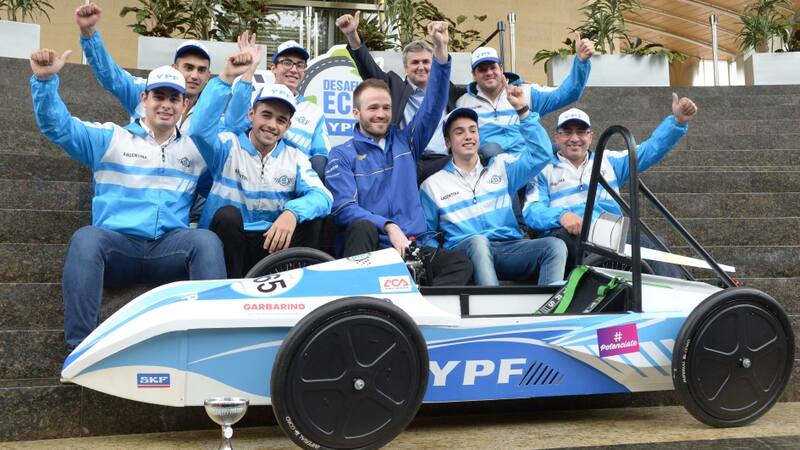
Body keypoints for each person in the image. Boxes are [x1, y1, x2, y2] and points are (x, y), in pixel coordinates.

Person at [30, 49, 226, 350]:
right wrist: (44, 82)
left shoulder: (195, 151)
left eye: (174, 98)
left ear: (184, 104)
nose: (166, 105)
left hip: (167, 250)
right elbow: (59, 127)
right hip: (118, 249)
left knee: (206, 241)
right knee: (86, 238)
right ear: (144, 99)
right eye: (159, 96)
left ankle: (209, 348)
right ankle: (81, 348)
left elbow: (228, 183)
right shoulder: (111, 138)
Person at [324, 21, 472, 286]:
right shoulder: (341, 155)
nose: (380, 114)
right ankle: (363, 307)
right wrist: (388, 225)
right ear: (356, 113)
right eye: (372, 108)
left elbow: (433, 105)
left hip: (410, 248)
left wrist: (441, 48)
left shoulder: (407, 141)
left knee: (460, 264)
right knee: (361, 226)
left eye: (386, 107)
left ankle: (416, 315)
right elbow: (344, 209)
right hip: (371, 251)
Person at [190, 48, 332, 279]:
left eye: (281, 120)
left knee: (312, 220)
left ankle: (293, 290)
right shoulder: (228, 145)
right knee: (228, 215)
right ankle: (231, 292)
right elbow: (199, 130)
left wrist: (292, 213)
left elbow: (323, 196)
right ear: (251, 114)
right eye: (266, 115)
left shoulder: (295, 157)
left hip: (270, 242)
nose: (272, 125)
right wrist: (225, 78)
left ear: (287, 126)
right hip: (229, 244)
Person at [522, 95, 699, 276]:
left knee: (655, 245)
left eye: (581, 132)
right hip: (568, 237)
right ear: (557, 137)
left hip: (608, 233)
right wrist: (562, 215)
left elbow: (650, 149)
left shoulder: (609, 161)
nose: (574, 138)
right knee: (576, 242)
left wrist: (676, 122)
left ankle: (676, 298)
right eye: (567, 132)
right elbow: (532, 211)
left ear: (590, 136)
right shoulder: (542, 169)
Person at [75, 2, 213, 221]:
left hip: (183, 201)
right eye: (188, 67)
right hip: (135, 193)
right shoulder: (144, 89)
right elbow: (110, 76)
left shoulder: (211, 112)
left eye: (201, 70)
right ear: (175, 68)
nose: (194, 75)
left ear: (208, 76)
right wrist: (89, 34)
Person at [420, 82, 567, 286]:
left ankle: (550, 312)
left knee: (555, 246)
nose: (468, 136)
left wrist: (523, 111)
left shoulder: (502, 166)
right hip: (466, 254)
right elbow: (427, 237)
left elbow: (541, 155)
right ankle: (492, 309)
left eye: (473, 130)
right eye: (459, 132)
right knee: (479, 242)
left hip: (508, 248)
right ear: (447, 142)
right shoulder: (432, 185)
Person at [336, 11, 467, 182]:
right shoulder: (393, 86)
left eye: (426, 62)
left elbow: (479, 89)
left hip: (443, 161)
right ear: (405, 67)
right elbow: (368, 68)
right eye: (415, 62)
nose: (421, 67)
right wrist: (352, 35)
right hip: (407, 160)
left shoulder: (447, 89)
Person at [455, 34, 595, 155]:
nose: (489, 73)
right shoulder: (463, 103)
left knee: (560, 151)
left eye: (493, 67)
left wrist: (581, 62)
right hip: (490, 175)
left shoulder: (526, 92)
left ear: (501, 69)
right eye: (482, 69)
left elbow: (568, 94)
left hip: (527, 165)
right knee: (491, 150)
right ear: (474, 75)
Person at [223, 35, 331, 180]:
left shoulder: (314, 112)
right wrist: (250, 69)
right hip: (250, 176)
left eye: (300, 65)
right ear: (273, 68)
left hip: (293, 182)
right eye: (287, 63)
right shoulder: (254, 97)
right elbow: (233, 126)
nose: (294, 69)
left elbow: (321, 156)